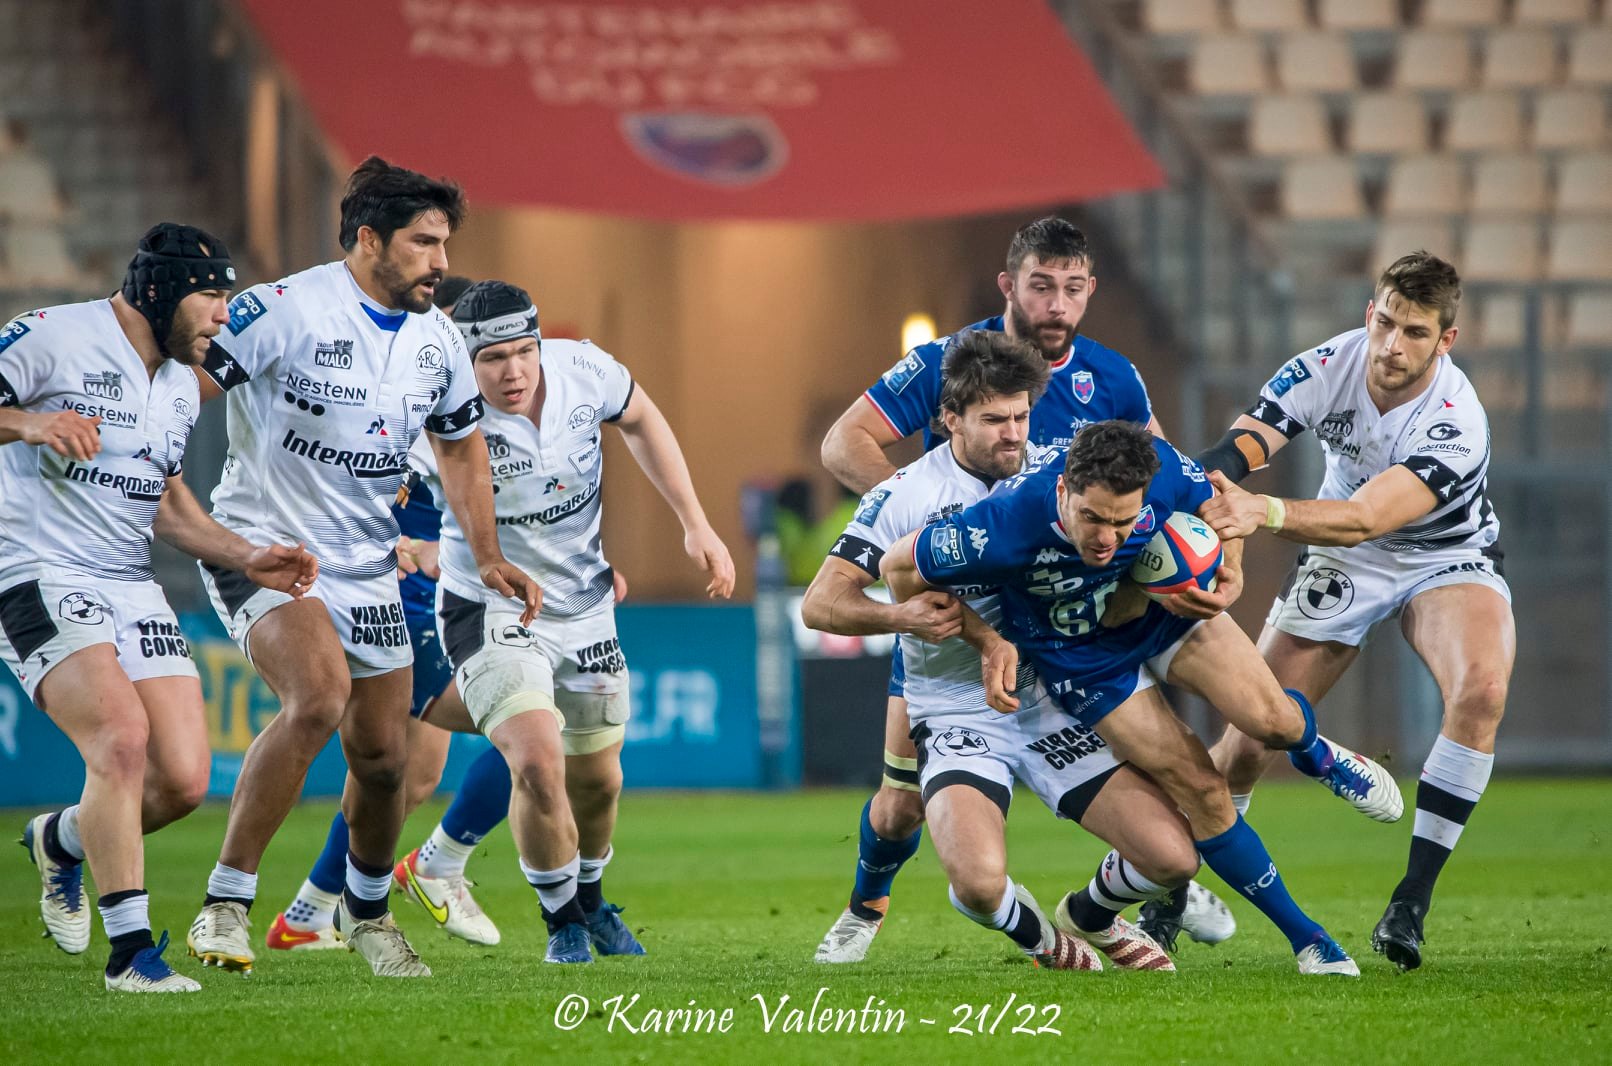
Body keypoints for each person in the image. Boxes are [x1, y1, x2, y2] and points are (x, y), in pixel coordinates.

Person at [184, 159, 540, 979]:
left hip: (363, 564)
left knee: (387, 758)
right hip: (266, 547)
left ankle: (366, 916)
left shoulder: (438, 342)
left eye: (445, 243)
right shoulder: (285, 310)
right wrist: (155, 479)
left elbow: (459, 446)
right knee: (317, 697)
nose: (441, 262)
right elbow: (184, 382)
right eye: (423, 242)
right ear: (369, 239)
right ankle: (226, 904)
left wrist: (485, 555)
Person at [884, 420, 1393, 976]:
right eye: (1092, 518)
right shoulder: (1005, 523)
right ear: (1063, 492)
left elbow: (1228, 508)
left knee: (1272, 720)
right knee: (1200, 786)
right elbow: (898, 567)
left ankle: (1316, 754)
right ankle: (1310, 940)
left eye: (1124, 522)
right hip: (1081, 657)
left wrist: (1232, 567)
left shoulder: (1166, 469)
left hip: (1159, 612)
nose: (1106, 537)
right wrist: (985, 640)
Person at [814, 217, 1183, 962]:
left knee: (1174, 851)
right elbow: (826, 587)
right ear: (1010, 285)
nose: (1016, 434)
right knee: (898, 809)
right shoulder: (936, 383)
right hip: (952, 687)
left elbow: (1157, 479)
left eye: (1023, 418)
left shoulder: (1069, 450)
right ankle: (871, 906)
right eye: (1041, 285)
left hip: (1050, 681)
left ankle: (1106, 904)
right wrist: (906, 592)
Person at [1, 224, 317, 991]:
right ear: (160, 291)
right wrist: (31, 421)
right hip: (34, 569)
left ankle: (63, 841)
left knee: (181, 780)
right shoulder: (53, 335)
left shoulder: (180, 383)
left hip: (128, 580)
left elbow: (164, 502)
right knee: (120, 737)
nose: (221, 316)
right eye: (211, 298)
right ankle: (132, 956)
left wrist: (247, 555)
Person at [398, 279, 735, 963]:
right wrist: (403, 544)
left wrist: (694, 521)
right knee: (536, 758)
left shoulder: (584, 368)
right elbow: (368, 490)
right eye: (493, 358)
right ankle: (563, 927)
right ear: (467, 360)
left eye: (525, 351)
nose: (514, 370)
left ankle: (587, 897)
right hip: (488, 607)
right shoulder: (435, 407)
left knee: (599, 781)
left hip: (586, 609)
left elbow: (643, 418)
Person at [1194, 251, 1511, 971]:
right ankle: (1170, 887)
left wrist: (1261, 511)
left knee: (1483, 691)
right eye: (1386, 322)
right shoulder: (1326, 364)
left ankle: (1412, 900)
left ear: (1445, 341)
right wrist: (1200, 484)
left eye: (1416, 333)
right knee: (1249, 735)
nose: (1394, 346)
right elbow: (1249, 441)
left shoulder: (1458, 422)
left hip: (1444, 555)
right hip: (1347, 560)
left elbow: (1369, 515)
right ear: (1370, 314)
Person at [264, 276, 510, 951]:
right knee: (528, 723)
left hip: (442, 602)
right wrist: (405, 543)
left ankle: (308, 914)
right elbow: (357, 493)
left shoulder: (472, 413)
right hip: (405, 603)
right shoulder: (407, 406)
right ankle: (436, 866)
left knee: (410, 772)